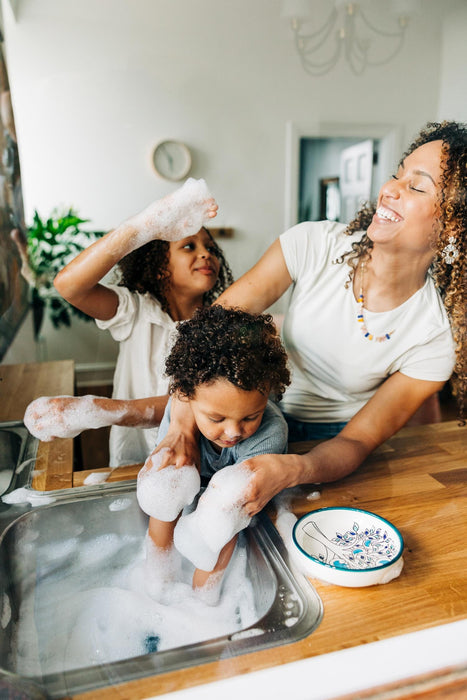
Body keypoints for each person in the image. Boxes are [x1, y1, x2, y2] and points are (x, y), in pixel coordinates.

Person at [155, 121, 466, 518]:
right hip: (250, 413)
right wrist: (181, 427)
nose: (389, 189)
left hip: (326, 452)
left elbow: (357, 441)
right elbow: (205, 336)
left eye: (417, 186)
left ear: (454, 225)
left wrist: (293, 468)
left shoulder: (433, 339)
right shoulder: (314, 243)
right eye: (397, 174)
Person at [30, 178, 233, 467]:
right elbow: (69, 285)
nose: (206, 254)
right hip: (134, 458)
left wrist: (103, 410)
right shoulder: (135, 310)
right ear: (160, 267)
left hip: (197, 457)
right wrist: (143, 227)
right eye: (189, 246)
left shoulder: (218, 326)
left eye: (211, 248)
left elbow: (201, 403)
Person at [136, 305, 290, 603]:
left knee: (221, 523)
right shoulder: (179, 421)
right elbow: (162, 512)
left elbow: (226, 525)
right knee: (167, 486)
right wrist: (159, 580)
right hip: (202, 495)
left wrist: (201, 605)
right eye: (217, 419)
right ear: (186, 396)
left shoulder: (270, 434)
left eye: (249, 417)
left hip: (238, 511)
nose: (233, 432)